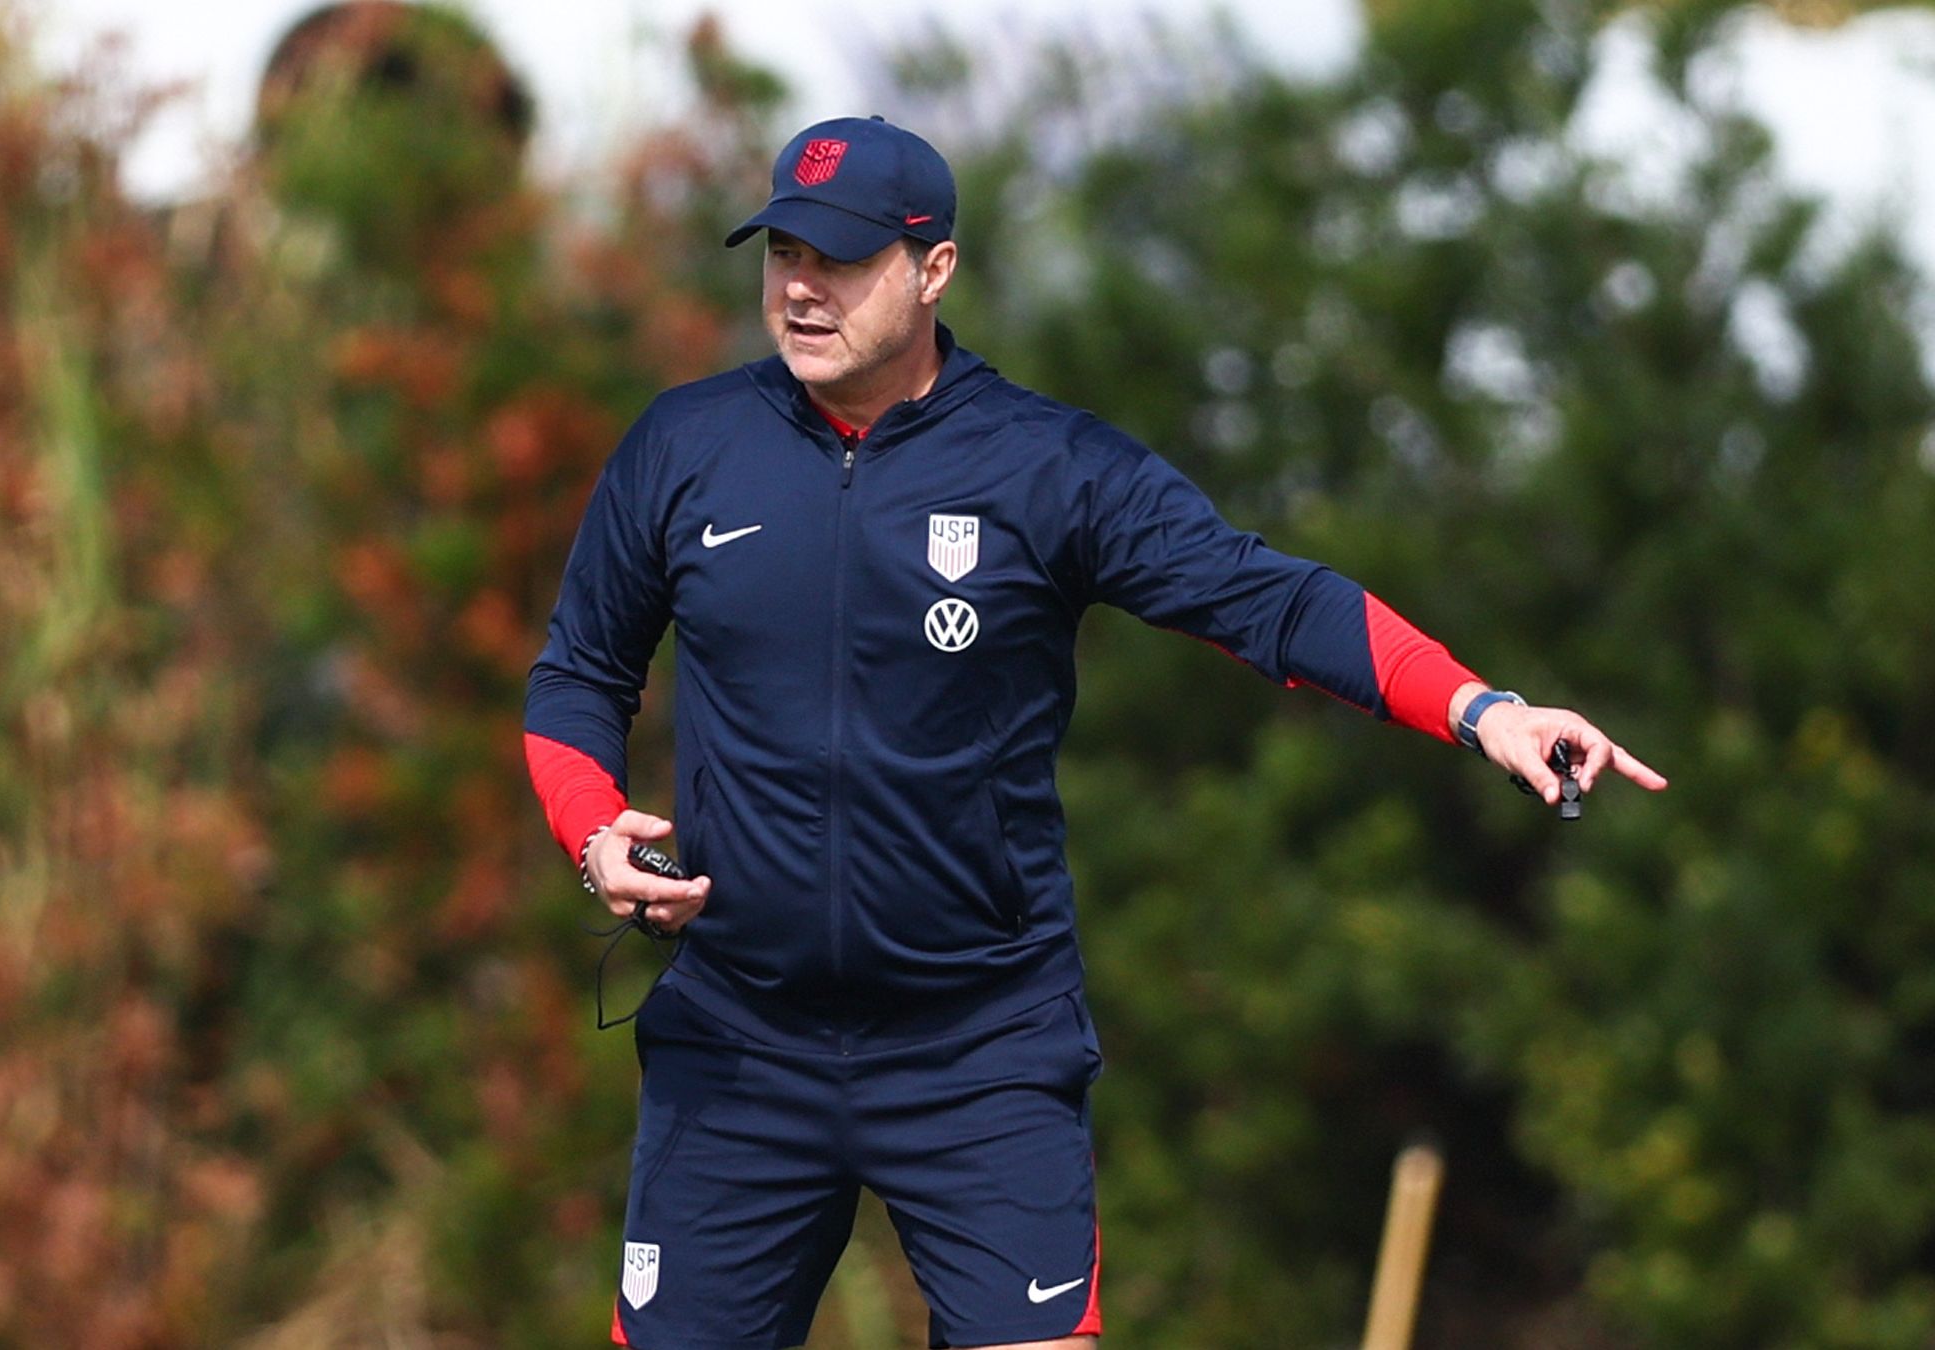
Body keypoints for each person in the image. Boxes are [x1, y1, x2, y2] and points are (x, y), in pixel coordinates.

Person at [524, 115, 1666, 1350]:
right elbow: (577, 675)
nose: (803, 287)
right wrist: (595, 836)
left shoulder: (1046, 464)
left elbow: (1266, 597)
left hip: (979, 1051)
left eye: (842, 259)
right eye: (784, 251)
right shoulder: (687, 447)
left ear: (935, 268)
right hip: (739, 1044)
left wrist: (1479, 707)